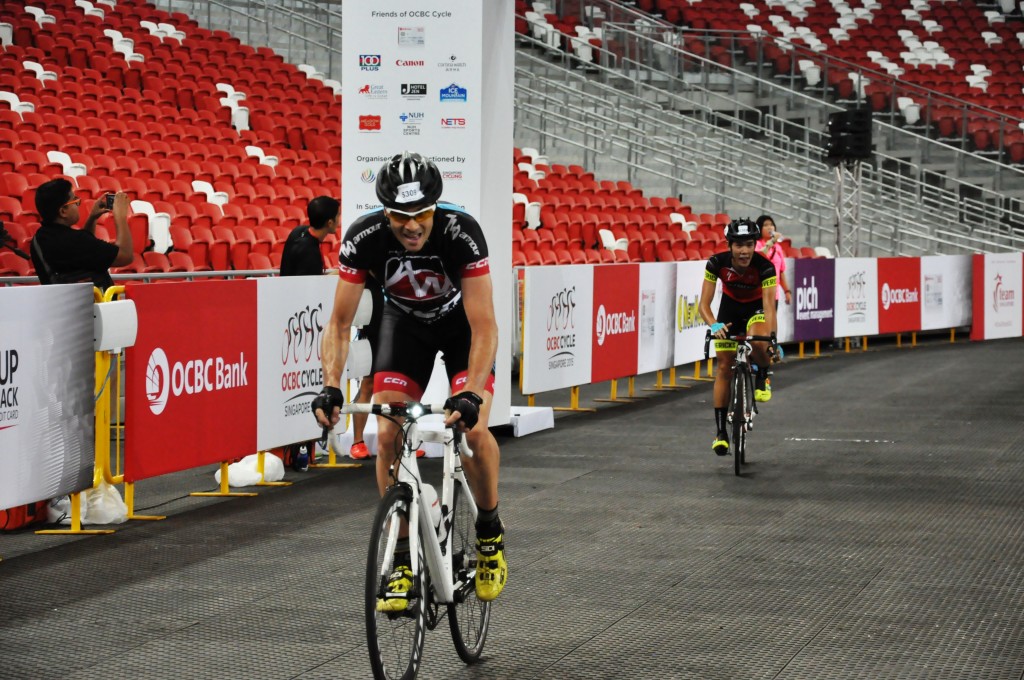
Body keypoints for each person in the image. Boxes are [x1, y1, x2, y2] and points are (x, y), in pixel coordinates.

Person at [312, 151, 507, 606]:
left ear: (435, 207)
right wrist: (332, 384)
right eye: (400, 216)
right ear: (385, 212)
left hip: (461, 328)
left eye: (421, 214)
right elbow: (338, 326)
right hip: (404, 328)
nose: (412, 225)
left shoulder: (462, 232)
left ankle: (490, 529)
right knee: (386, 433)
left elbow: (485, 328)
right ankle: (401, 556)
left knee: (474, 430)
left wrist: (472, 393)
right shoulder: (365, 237)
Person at [699, 218, 777, 457]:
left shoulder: (765, 266)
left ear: (756, 245)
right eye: (739, 245)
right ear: (729, 245)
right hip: (729, 310)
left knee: (757, 340)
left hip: (756, 309)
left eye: (750, 245)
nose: (744, 251)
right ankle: (721, 433)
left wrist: (771, 338)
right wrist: (715, 325)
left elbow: (769, 307)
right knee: (724, 366)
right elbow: (703, 304)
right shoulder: (716, 263)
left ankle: (762, 373)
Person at [30, 179, 131, 291]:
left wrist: (92, 218)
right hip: (88, 306)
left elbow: (84, 254)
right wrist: (120, 216)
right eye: (74, 201)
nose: (78, 204)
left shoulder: (39, 238)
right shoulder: (73, 240)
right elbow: (125, 256)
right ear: (63, 211)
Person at [755, 214, 790, 393]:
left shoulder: (779, 247)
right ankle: (757, 360)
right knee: (759, 329)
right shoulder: (758, 245)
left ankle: (764, 365)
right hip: (758, 293)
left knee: (770, 330)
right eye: (765, 225)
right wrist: (770, 243)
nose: (769, 228)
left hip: (773, 294)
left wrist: (787, 290)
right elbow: (759, 258)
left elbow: (781, 270)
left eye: (771, 225)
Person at [278, 195, 340, 276]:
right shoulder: (311, 253)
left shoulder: (298, 231)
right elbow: (310, 286)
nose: (339, 220)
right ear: (330, 223)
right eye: (338, 215)